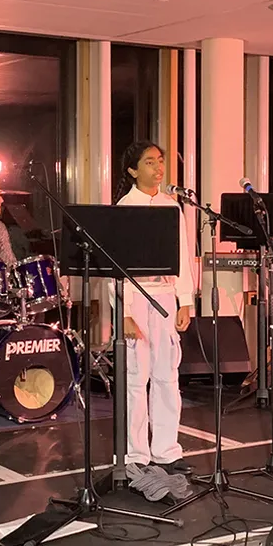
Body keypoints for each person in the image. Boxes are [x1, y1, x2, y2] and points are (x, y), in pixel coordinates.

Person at [114, 140, 194, 476]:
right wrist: (124, 312)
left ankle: (166, 450)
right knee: (136, 377)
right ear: (133, 170)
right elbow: (116, 267)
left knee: (167, 376)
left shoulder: (171, 206)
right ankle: (136, 453)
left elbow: (183, 257)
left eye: (160, 160)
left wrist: (185, 301)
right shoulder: (124, 207)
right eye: (149, 162)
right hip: (136, 297)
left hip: (165, 297)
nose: (158, 167)